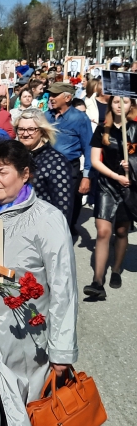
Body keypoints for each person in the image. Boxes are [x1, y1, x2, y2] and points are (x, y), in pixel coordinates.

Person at [0, 139, 78, 426]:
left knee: (25, 412)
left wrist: (62, 350)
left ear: (24, 174)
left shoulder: (47, 219)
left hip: (23, 340)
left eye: (2, 172)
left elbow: (63, 287)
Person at [84, 96, 137, 298]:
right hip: (107, 185)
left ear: (130, 105)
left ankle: (116, 269)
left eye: (124, 102)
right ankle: (97, 281)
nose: (119, 105)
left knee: (122, 231)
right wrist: (116, 175)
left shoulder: (135, 129)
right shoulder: (102, 129)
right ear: (110, 105)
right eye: (115, 101)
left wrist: (130, 165)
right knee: (104, 231)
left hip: (129, 187)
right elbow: (95, 160)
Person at [45, 82, 93, 232]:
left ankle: (63, 240)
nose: (51, 98)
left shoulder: (79, 118)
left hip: (68, 169)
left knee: (64, 208)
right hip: (45, 167)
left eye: (55, 95)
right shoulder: (46, 116)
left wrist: (86, 177)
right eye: (50, 95)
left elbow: (89, 148)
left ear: (67, 97)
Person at [14, 108, 73, 221]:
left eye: (31, 129)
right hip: (16, 225)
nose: (25, 134)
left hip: (42, 226)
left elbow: (63, 207)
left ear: (42, 131)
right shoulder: (14, 156)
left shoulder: (56, 161)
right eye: (21, 129)